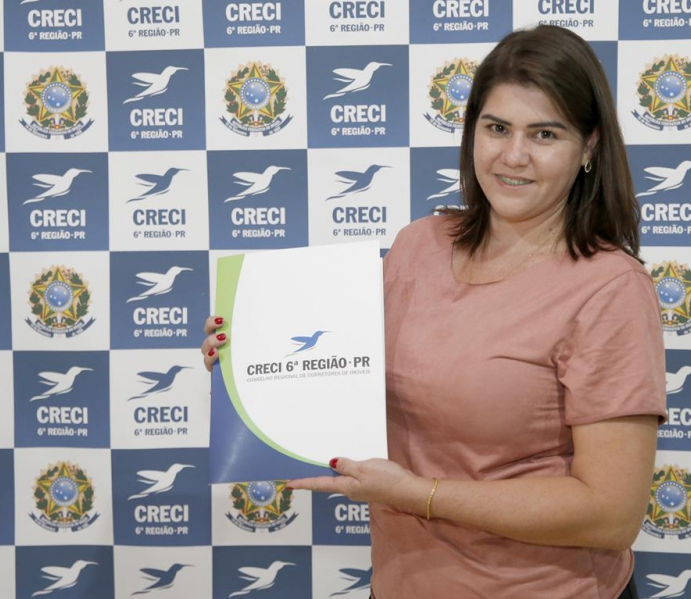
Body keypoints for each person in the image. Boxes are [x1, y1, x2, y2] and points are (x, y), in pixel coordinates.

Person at [202, 25, 666, 599]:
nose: (513, 156)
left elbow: (610, 514)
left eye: (545, 134)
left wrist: (417, 495)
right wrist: (248, 356)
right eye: (497, 128)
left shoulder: (610, 288)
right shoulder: (418, 245)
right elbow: (340, 374)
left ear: (589, 147)